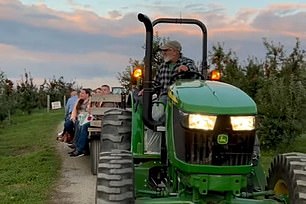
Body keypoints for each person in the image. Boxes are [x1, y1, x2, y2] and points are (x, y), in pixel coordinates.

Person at [69, 88, 91, 157]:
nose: (80, 94)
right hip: (80, 117)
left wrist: (88, 108)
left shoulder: (90, 100)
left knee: (82, 126)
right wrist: (73, 117)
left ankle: (79, 148)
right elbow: (74, 110)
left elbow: (90, 112)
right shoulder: (79, 100)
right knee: (76, 123)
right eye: (80, 93)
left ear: (87, 94)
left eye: (82, 93)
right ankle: (78, 146)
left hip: (87, 118)